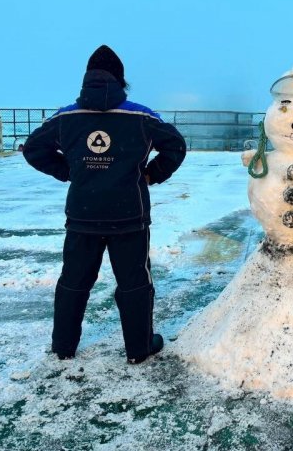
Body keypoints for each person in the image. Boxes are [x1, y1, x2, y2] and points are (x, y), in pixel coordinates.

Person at [23, 45, 186, 363]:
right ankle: (139, 348)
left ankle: (63, 347)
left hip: (83, 215)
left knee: (73, 282)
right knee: (135, 283)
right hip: (129, 216)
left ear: (87, 80)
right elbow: (176, 145)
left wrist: (68, 171)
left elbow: (33, 148)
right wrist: (150, 175)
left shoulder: (66, 117)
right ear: (121, 81)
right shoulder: (141, 116)